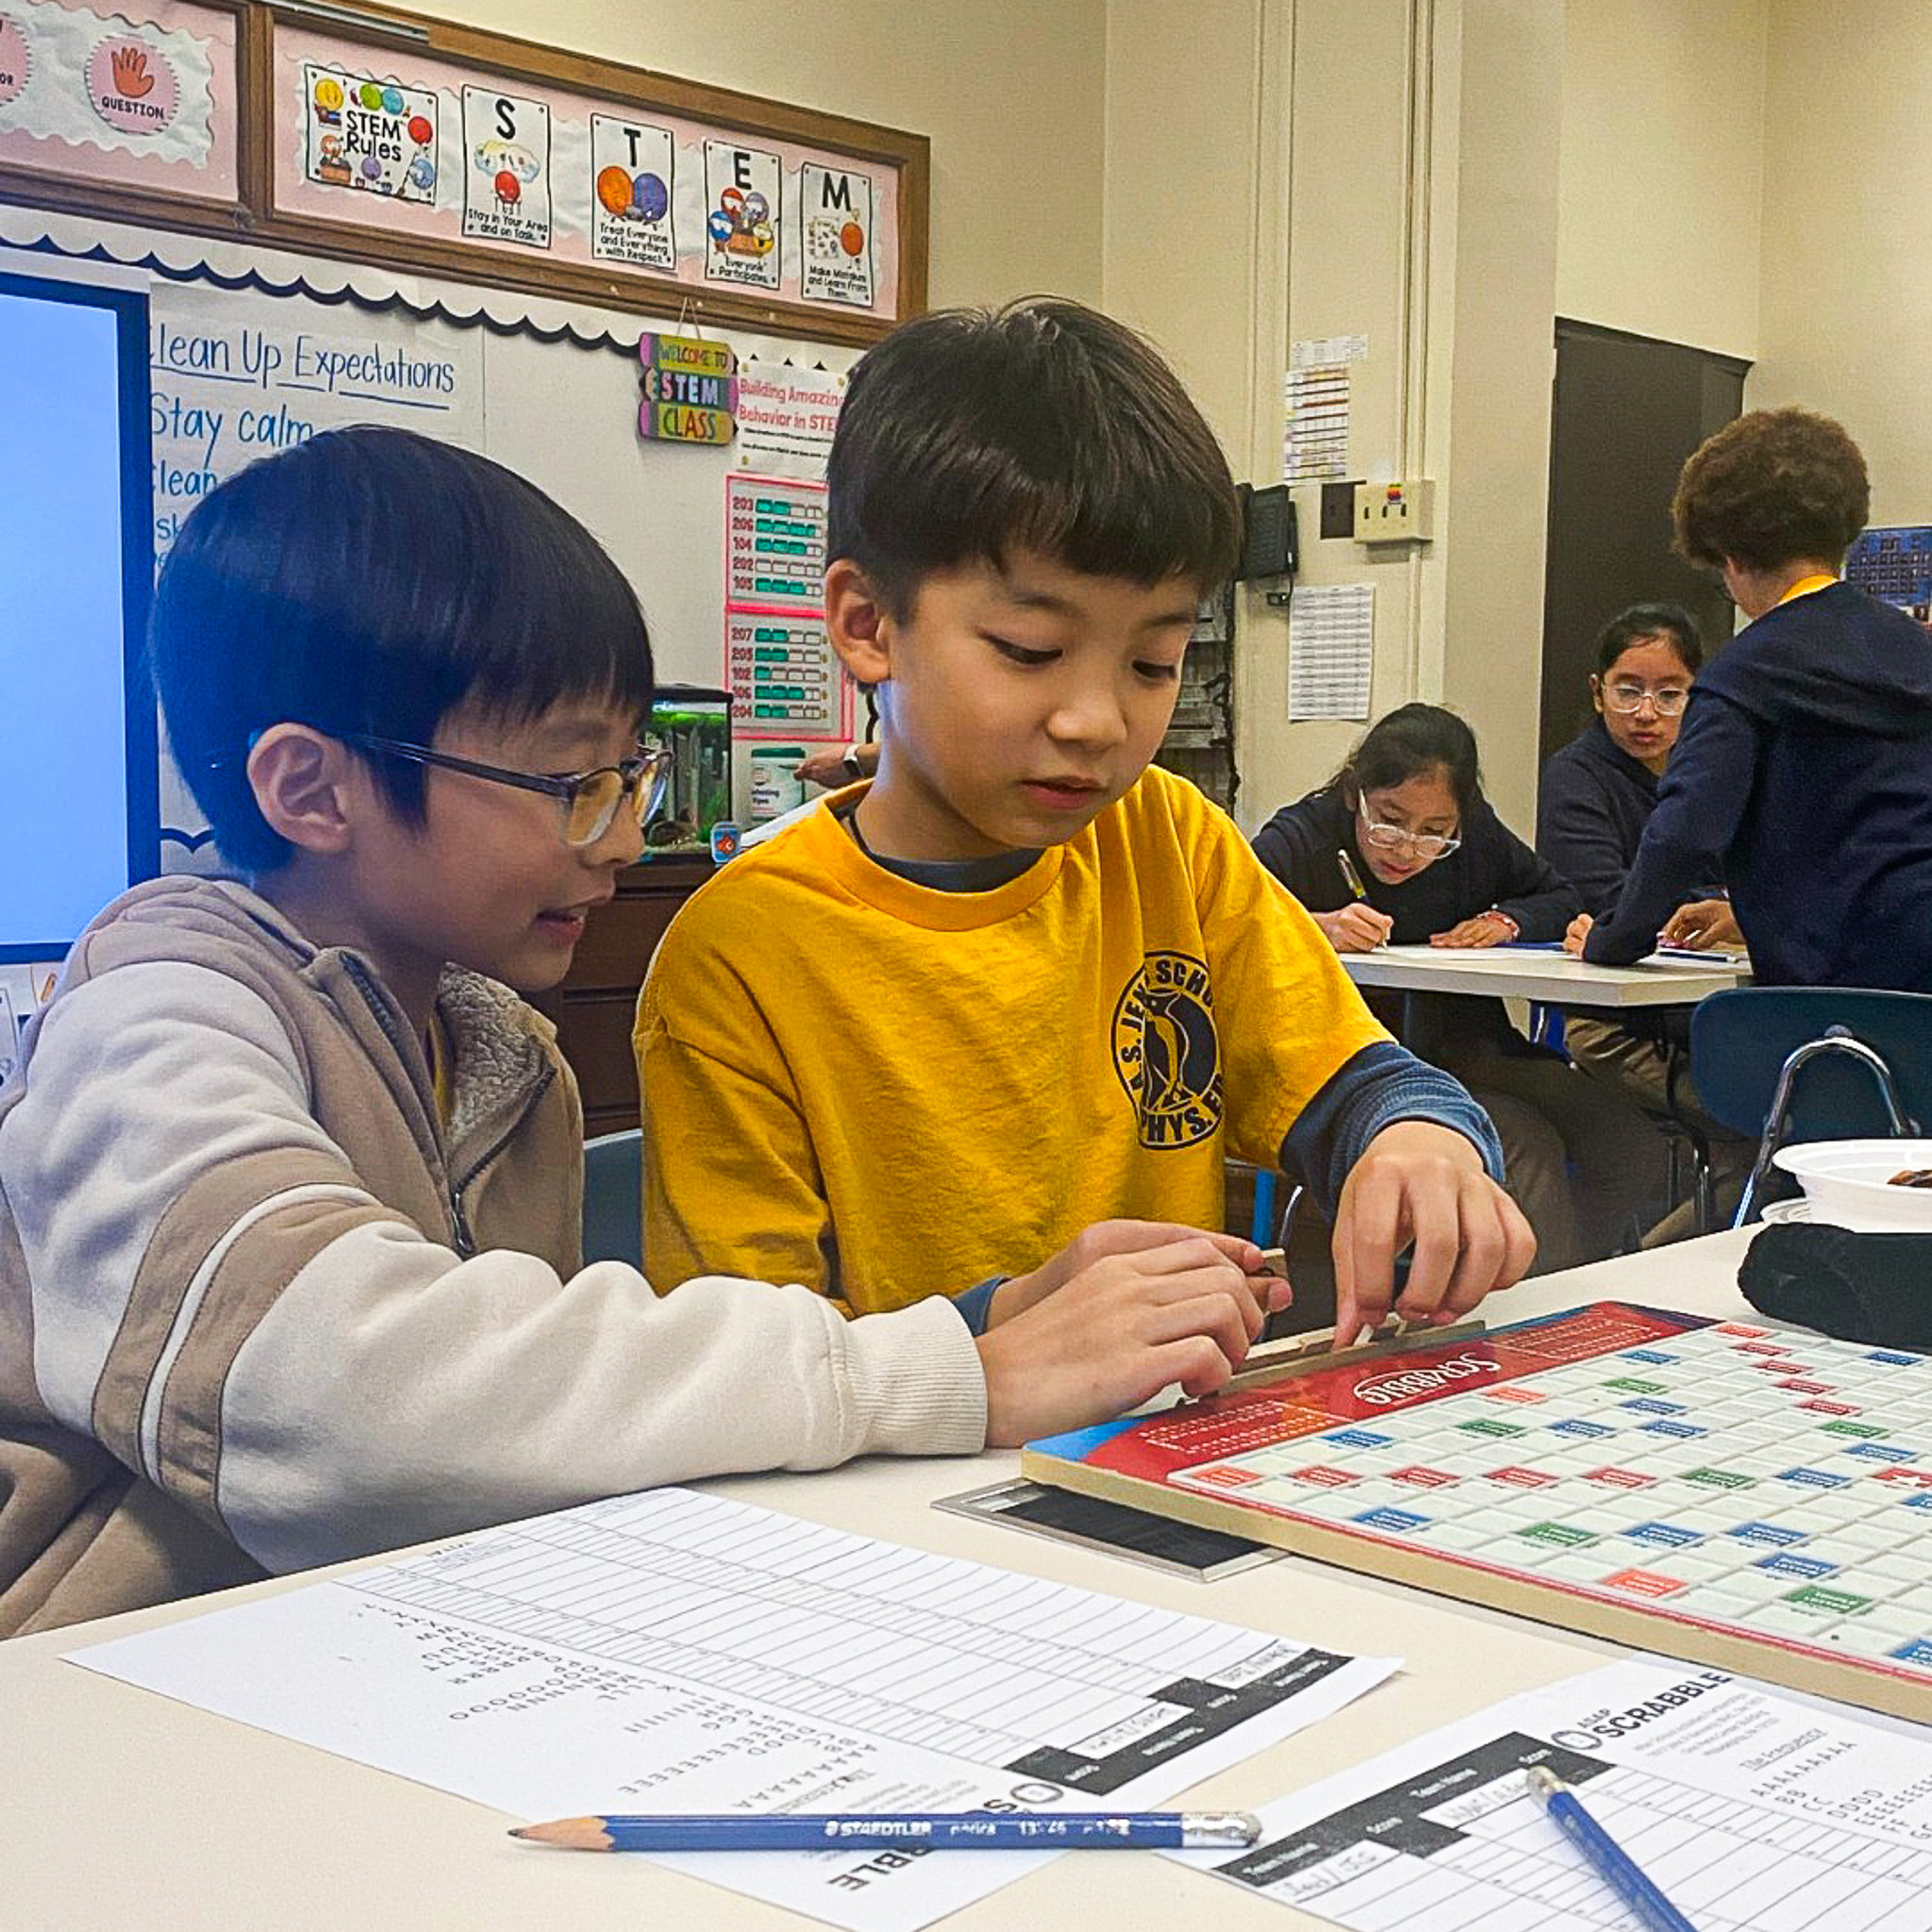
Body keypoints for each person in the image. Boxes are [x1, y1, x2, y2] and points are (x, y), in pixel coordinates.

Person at [0, 426, 1291, 1639]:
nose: (622, 837)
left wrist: (989, 1318)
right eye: (573, 786)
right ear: (311, 787)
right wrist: (959, 1372)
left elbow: (533, 1417)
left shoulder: (495, 1053)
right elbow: (329, 1387)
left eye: (635, 776)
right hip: (102, 1700)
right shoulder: (155, 1007)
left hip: (366, 1648)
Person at [638, 299, 1534, 1343]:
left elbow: (1349, 1074)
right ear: (867, 626)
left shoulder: (1167, 839)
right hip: (883, 1490)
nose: (1097, 720)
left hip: (1162, 1444)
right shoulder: (741, 955)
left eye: (1153, 662)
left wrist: (1417, 1135)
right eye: (1027, 648)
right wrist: (1003, 1333)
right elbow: (744, 1367)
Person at [1254, 703, 1661, 1273]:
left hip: (1470, 1049)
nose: (1406, 849)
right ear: (1356, 793)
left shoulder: (1477, 839)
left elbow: (1560, 896)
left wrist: (1506, 920)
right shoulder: (1302, 837)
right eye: (1389, 821)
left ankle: (1563, 1283)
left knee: (1631, 1145)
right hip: (1352, 1062)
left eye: (1435, 833)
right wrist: (1314, 925)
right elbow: (1229, 923)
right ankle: (1532, 1325)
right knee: (1526, 1149)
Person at [1576, 407, 1932, 988]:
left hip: (1848, 983)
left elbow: (1684, 831)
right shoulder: (1913, 648)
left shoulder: (1746, 673)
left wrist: (1615, 937)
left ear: (1732, 558)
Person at [1538, 604, 1749, 1234]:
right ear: (1597, 690)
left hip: (1711, 1015)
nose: (1647, 713)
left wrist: (1734, 911)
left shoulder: (1711, 772)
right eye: (1628, 691)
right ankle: (1639, 1269)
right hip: (1617, 1023)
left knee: (1767, 1134)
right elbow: (1611, 899)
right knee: (1767, 1131)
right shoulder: (1577, 775)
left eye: (1669, 693)